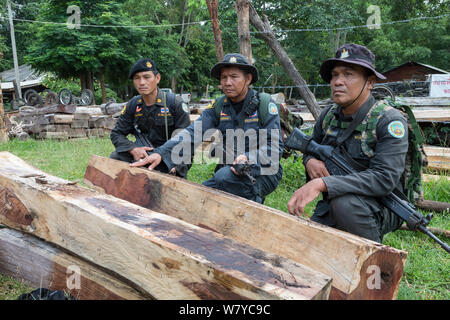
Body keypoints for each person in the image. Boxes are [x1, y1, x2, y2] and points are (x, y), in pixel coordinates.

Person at [288, 44, 407, 243]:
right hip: (336, 201)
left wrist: (324, 183)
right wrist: (309, 160)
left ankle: (375, 264)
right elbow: (310, 147)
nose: (338, 82)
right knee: (302, 245)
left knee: (345, 205)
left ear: (369, 82)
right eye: (334, 75)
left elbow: (384, 179)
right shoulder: (328, 115)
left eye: (348, 74)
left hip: (382, 204)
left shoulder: (388, 121)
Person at [131, 53, 284, 203]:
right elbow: (192, 132)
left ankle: (254, 206)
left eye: (234, 77)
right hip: (231, 170)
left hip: (265, 171)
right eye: (224, 77)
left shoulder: (264, 105)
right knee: (196, 198)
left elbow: (275, 148)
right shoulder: (219, 106)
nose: (228, 82)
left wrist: (248, 158)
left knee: (224, 178)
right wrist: (160, 154)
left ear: (248, 78)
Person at [109, 58, 191, 177]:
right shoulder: (134, 104)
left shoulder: (174, 103)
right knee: (116, 157)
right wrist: (133, 149)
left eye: (147, 77)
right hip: (144, 154)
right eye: (137, 78)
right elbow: (116, 133)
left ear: (157, 78)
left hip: (169, 156)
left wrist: (169, 160)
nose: (142, 82)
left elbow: (186, 140)